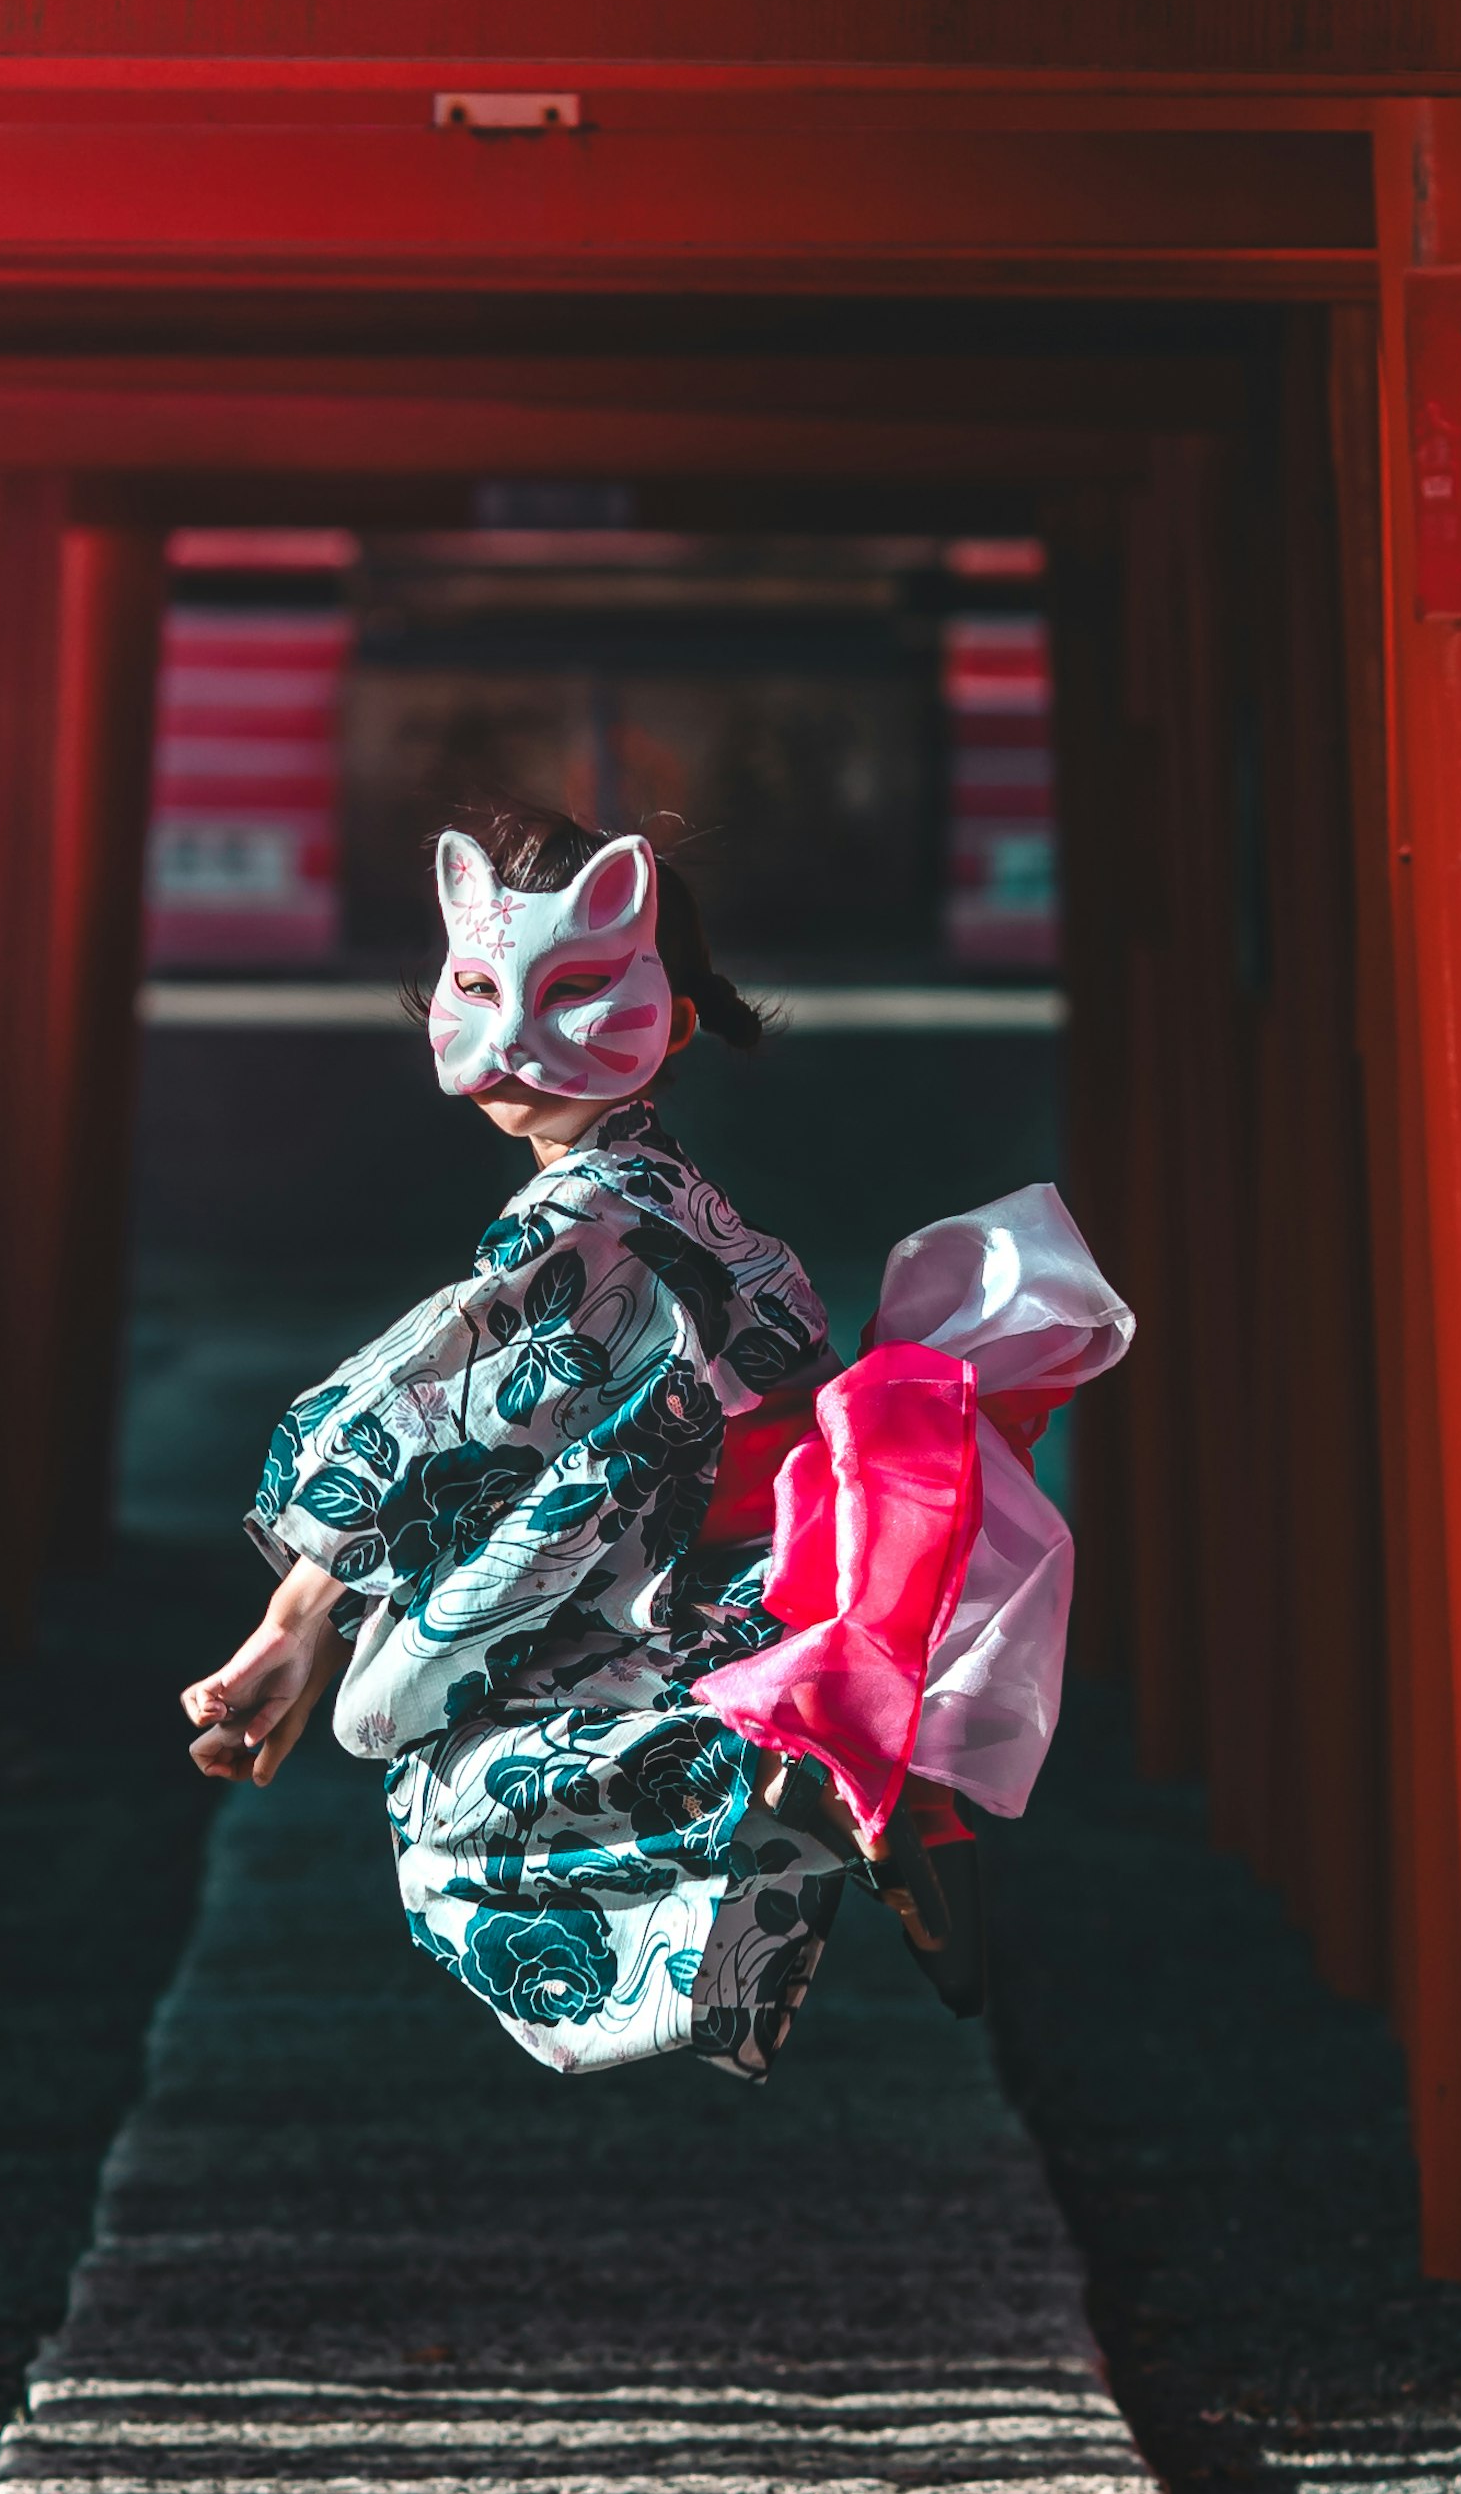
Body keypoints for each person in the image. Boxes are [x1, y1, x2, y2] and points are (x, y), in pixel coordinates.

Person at [180, 803, 1130, 2083]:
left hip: (689, 1587)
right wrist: (306, 1614)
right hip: (740, 1575)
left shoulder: (586, 1214)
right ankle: (809, 1790)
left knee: (411, 1758)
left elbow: (434, 1402)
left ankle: (769, 1773)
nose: (512, 1036)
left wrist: (303, 1604)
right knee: (408, 1748)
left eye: (574, 992)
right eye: (475, 986)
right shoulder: (664, 1191)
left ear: (672, 1020)